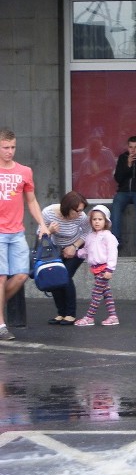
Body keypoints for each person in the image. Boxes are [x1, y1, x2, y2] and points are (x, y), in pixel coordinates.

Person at [0, 127, 49, 341]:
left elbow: (32, 201)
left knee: (21, 276)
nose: (9, 151)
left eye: (12, 147)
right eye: (5, 147)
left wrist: (43, 224)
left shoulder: (24, 171)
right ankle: (1, 324)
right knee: (1, 277)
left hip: (17, 232)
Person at [42, 191, 91, 325]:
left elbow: (88, 232)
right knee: (55, 277)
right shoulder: (48, 213)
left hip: (76, 249)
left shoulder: (81, 217)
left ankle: (70, 314)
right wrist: (49, 231)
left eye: (82, 210)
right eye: (78, 210)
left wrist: (74, 246)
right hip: (55, 250)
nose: (81, 213)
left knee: (65, 275)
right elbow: (39, 233)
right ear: (68, 208)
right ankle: (61, 313)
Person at [74, 205, 119, 327]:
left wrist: (110, 269)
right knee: (106, 293)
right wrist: (76, 253)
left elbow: (112, 253)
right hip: (95, 269)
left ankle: (89, 317)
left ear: (106, 221)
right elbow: (86, 251)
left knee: (96, 293)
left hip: (104, 269)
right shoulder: (89, 237)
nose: (97, 222)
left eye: (100, 219)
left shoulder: (108, 236)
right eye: (94, 219)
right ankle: (113, 316)